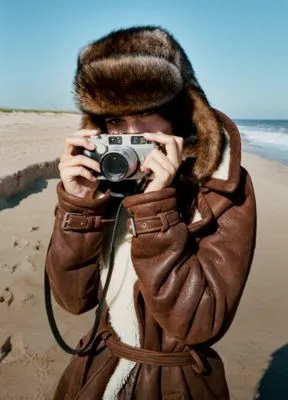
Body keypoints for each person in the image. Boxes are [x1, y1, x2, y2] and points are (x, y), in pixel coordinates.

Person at [45, 25, 257, 400]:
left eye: (146, 117)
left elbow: (200, 323)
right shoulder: (104, 180)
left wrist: (157, 208)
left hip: (175, 385)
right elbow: (73, 300)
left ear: (178, 116)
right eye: (115, 122)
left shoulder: (222, 186)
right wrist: (78, 205)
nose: (130, 136)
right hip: (98, 369)